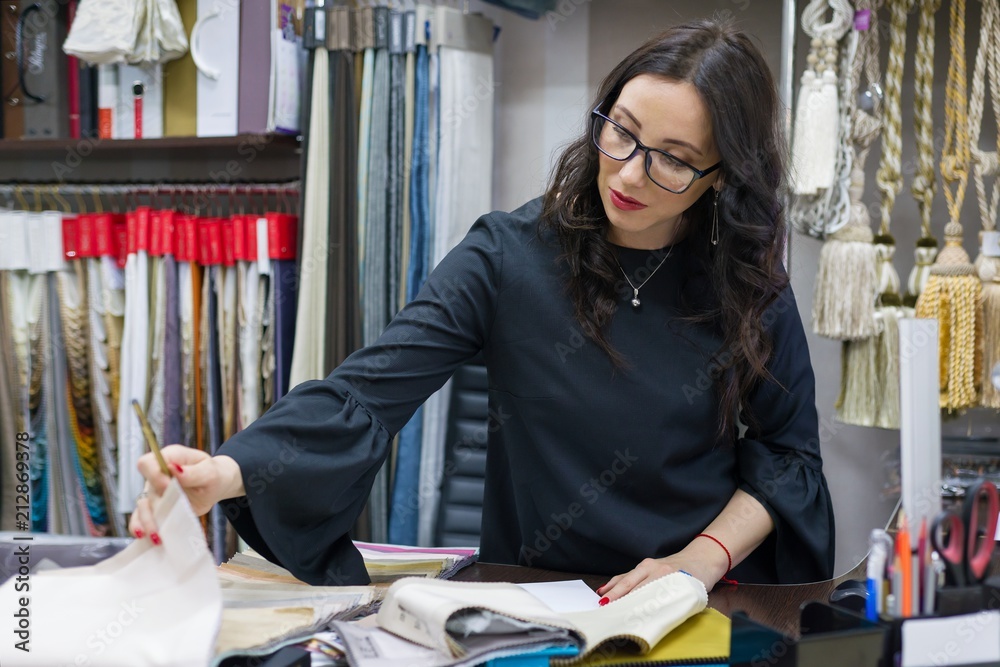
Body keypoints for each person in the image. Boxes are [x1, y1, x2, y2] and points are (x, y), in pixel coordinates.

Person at [131, 18, 835, 599]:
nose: (626, 171)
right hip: (529, 598)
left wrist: (699, 560)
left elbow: (788, 454)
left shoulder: (747, 283)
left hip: (691, 595)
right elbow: (368, 390)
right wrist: (226, 473)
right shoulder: (509, 256)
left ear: (721, 178)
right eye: (619, 130)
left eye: (673, 159)